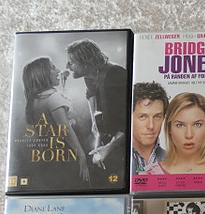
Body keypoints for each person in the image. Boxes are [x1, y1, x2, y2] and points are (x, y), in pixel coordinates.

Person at [66, 38, 128, 185]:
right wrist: (96, 128)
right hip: (109, 140)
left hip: (123, 144)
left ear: (86, 62)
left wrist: (108, 148)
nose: (67, 67)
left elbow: (129, 120)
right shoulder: (89, 76)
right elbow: (91, 94)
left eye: (71, 62)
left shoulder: (115, 75)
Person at [22, 56, 90, 187]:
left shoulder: (34, 100)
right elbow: (66, 130)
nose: (58, 70)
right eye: (53, 68)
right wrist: (81, 156)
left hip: (49, 158)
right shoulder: (53, 97)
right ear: (43, 74)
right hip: (69, 156)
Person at [144, 92, 205, 175]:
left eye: (197, 124)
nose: (189, 135)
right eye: (180, 125)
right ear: (169, 129)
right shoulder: (150, 174)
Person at [131, 82, 169, 174]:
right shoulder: (114, 158)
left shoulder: (173, 161)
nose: (151, 126)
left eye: (157, 116)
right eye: (143, 117)